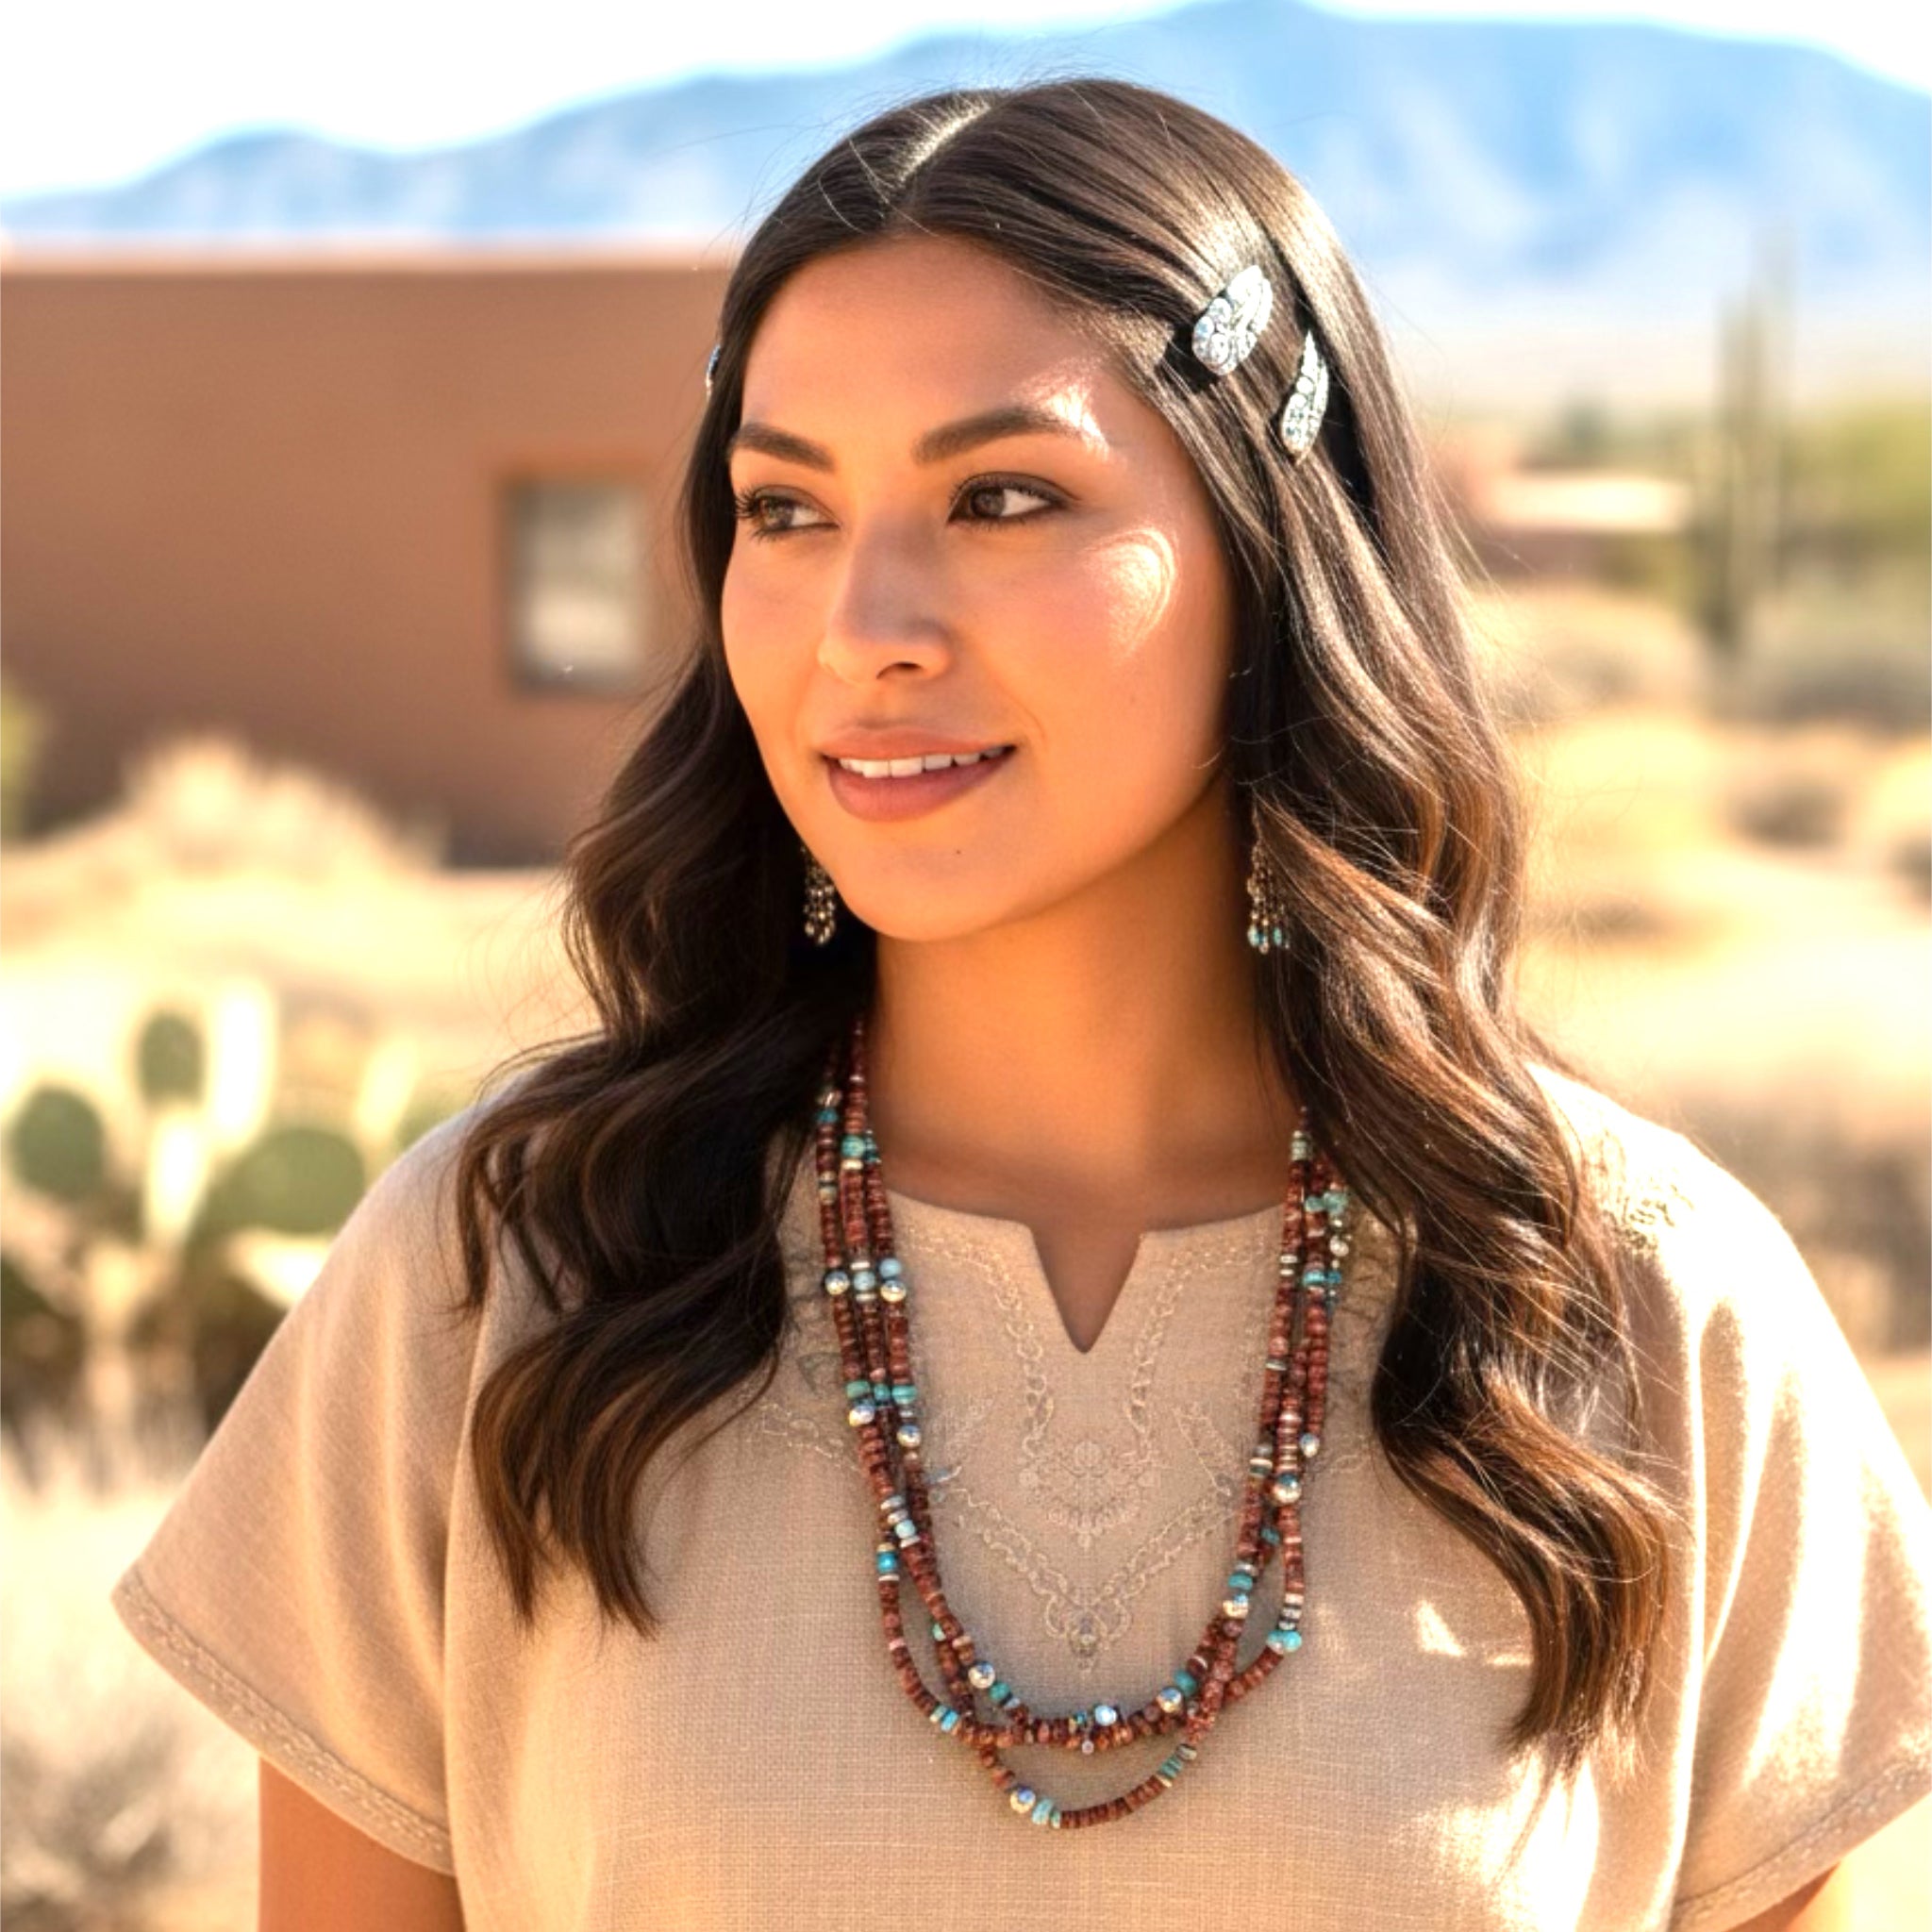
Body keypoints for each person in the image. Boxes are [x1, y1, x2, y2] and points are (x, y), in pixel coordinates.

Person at [112, 78, 1931, 1931]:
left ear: (1268, 549)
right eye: (784, 506)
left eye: (1002, 495)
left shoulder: (1639, 1312)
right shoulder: (504, 1275)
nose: (864, 623)